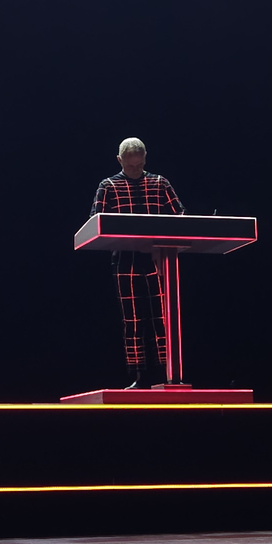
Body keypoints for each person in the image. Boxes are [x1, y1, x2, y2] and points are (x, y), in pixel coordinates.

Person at [91, 138, 184, 389]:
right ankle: (138, 375)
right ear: (119, 161)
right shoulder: (108, 186)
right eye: (130, 166)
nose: (135, 170)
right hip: (126, 259)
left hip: (159, 258)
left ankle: (168, 373)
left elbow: (180, 217)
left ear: (145, 158)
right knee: (132, 320)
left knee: (163, 317)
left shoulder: (160, 183)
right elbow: (96, 221)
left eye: (139, 165)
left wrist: (162, 244)